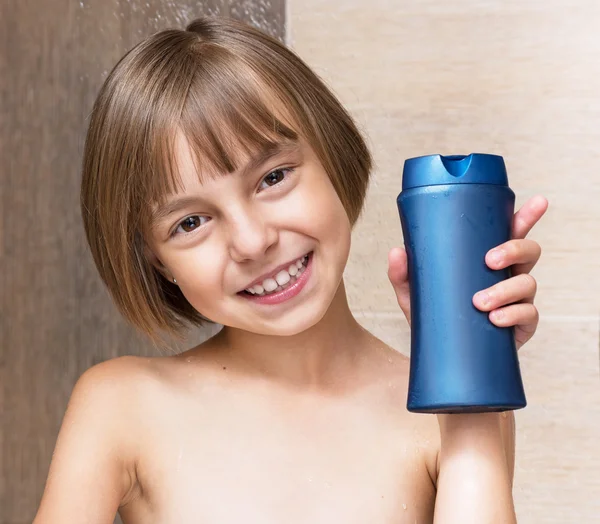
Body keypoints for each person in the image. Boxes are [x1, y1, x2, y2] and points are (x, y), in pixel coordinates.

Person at [33, 16, 548, 524]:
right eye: (190, 222)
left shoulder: (450, 413)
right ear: (155, 260)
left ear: (332, 157)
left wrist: (468, 363)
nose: (253, 241)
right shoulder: (122, 408)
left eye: (273, 177)